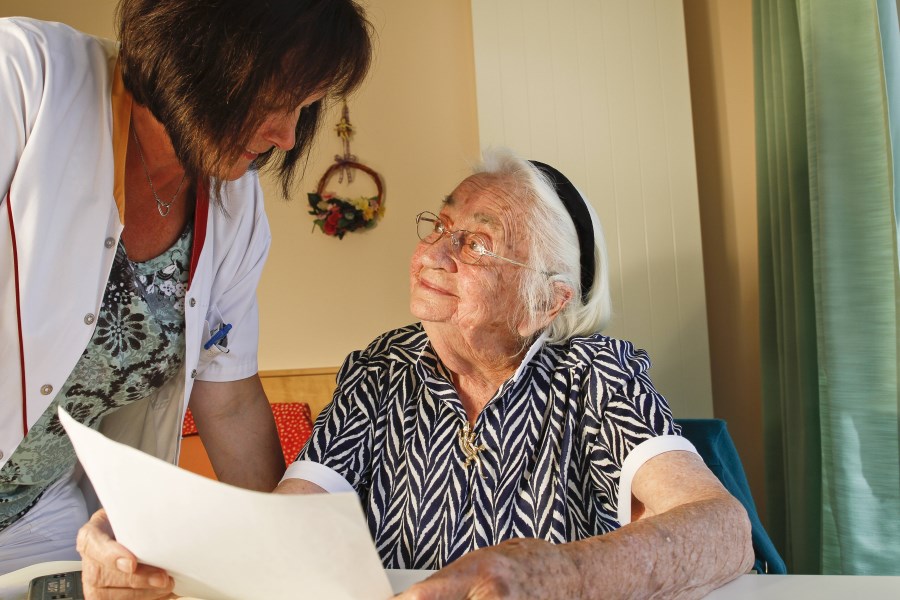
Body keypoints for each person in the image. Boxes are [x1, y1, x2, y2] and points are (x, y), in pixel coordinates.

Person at [78, 148, 754, 598]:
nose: (433, 249)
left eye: (477, 242)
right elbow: (291, 526)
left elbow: (723, 530)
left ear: (546, 302)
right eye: (441, 223)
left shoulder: (597, 372)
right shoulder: (381, 371)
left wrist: (562, 575)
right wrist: (151, 541)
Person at [0, 0, 372, 576]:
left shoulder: (234, 206)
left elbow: (229, 401)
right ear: (195, 56)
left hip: (36, 516)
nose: (286, 135)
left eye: (304, 108)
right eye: (273, 103)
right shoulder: (26, 77)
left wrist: (291, 563)